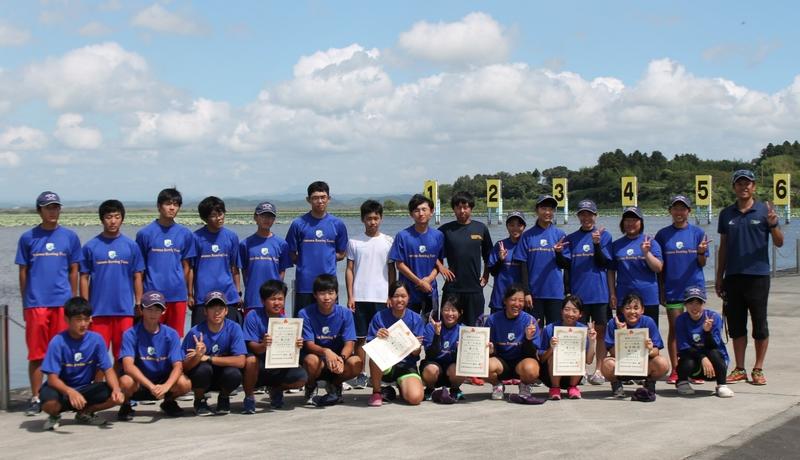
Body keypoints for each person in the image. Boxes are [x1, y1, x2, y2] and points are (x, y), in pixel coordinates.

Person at [16, 191, 82, 416]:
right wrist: (26, 302)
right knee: (37, 354)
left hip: (62, 304)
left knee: (64, 352)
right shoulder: (28, 237)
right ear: (39, 210)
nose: (52, 211)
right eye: (48, 207)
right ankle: (35, 397)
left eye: (55, 207)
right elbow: (23, 272)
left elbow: (74, 270)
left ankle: (61, 396)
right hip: (37, 303)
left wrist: (73, 299)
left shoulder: (70, 237)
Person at [715, 169, 783, 385]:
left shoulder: (765, 210)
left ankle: (758, 368)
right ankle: (740, 367)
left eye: (748, 183)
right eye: (739, 183)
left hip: (758, 276)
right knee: (736, 324)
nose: (744, 187)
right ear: (734, 187)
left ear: (754, 186)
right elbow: (723, 247)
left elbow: (780, 242)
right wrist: (719, 276)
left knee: (760, 324)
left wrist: (772, 225)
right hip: (733, 276)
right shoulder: (726, 214)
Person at [39, 297, 124, 430]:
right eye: (78, 319)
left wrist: (116, 389)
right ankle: (54, 415)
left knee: (116, 395)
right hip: (61, 389)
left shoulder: (96, 340)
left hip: (85, 388)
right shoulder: (57, 341)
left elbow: (108, 369)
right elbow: (52, 379)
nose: (83, 324)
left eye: (86, 319)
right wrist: (70, 392)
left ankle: (85, 413)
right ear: (67, 320)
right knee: (49, 404)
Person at [80, 199, 144, 363]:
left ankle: (117, 388)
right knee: (96, 357)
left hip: (124, 311)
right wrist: (85, 306)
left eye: (117, 216)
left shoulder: (131, 246)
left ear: (122, 218)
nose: (113, 221)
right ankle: (97, 388)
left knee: (122, 356)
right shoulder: (90, 246)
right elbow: (84, 277)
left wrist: (138, 302)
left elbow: (137, 275)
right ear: (102, 219)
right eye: (109, 217)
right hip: (98, 311)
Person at [655, 195, 709, 384]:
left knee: (696, 329)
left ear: (689, 211)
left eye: (683, 208)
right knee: (676, 329)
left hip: (695, 289)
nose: (679, 212)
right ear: (670, 211)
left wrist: (701, 252)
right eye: (675, 208)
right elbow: (660, 267)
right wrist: (661, 289)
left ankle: (695, 370)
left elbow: (702, 263)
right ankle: (677, 369)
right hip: (672, 289)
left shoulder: (698, 233)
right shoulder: (662, 235)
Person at [117, 291, 191, 420]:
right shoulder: (130, 334)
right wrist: (151, 386)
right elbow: (128, 366)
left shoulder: (171, 334)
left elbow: (178, 366)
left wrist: (166, 386)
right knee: (125, 381)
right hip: (140, 383)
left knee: (184, 383)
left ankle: (168, 401)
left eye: (157, 309)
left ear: (163, 311)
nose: (153, 313)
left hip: (162, 381)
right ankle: (126, 404)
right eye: (149, 309)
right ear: (141, 310)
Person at [345, 199, 395, 389]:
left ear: (381, 219)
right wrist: (350, 296)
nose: (372, 222)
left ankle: (381, 371)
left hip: (382, 297)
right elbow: (349, 269)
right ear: (362, 219)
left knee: (382, 336)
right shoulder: (354, 241)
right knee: (360, 337)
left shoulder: (389, 241)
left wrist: (391, 294)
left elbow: (392, 271)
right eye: (368, 218)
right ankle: (360, 373)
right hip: (360, 297)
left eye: (375, 218)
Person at [563, 199, 612, 385]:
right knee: (579, 334)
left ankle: (598, 369)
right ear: (578, 216)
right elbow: (566, 267)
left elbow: (604, 263)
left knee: (600, 333)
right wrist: (567, 291)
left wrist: (597, 244)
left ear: (595, 215)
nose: (586, 217)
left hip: (599, 293)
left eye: (589, 214)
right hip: (578, 295)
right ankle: (580, 369)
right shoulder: (571, 238)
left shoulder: (604, 236)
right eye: (582, 214)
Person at [136, 188, 195, 337]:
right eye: (168, 204)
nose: (172, 208)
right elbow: (139, 270)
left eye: (176, 204)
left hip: (177, 296)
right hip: (152, 295)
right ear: (158, 206)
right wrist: (139, 298)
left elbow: (187, 265)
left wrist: (185, 290)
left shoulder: (185, 234)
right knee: (151, 336)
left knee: (175, 337)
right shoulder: (145, 234)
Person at [242, 280, 307, 414]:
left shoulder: (286, 321)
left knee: (301, 378)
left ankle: (276, 388)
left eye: (280, 299)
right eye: (272, 299)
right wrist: (263, 345)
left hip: (278, 363)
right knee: (250, 361)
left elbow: (290, 352)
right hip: (258, 364)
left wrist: (297, 345)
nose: (277, 303)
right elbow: (251, 346)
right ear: (263, 300)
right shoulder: (253, 316)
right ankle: (249, 396)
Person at [286, 181, 348, 317]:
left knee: (329, 324)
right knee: (302, 323)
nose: (319, 201)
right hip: (304, 284)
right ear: (308, 200)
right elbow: (290, 253)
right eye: (315, 198)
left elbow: (342, 253)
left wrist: (327, 259)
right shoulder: (298, 224)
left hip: (328, 285)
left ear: (329, 199)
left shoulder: (337, 224)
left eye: (323, 197)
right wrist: (305, 262)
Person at [299, 274, 362, 406]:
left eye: (330, 293)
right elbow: (308, 344)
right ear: (315, 295)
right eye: (322, 293)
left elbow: (349, 343)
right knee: (311, 360)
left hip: (338, 361)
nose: (327, 297)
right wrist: (326, 352)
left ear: (337, 294)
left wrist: (341, 359)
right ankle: (310, 387)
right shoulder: (304, 313)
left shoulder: (346, 313)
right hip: (318, 361)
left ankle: (335, 385)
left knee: (356, 362)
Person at [181, 291, 247, 416]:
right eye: (212, 308)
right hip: (204, 377)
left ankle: (224, 397)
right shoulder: (195, 332)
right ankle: (199, 399)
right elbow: (184, 367)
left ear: (226, 311)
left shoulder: (234, 328)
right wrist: (197, 357)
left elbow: (241, 361)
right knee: (202, 370)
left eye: (221, 308)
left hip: (223, 375)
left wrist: (208, 358)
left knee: (234, 373)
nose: (217, 312)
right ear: (205, 311)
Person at [437, 191, 493, 328]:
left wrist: (486, 275)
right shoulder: (445, 230)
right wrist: (441, 267)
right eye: (458, 207)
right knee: (448, 326)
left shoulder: (481, 228)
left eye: (465, 207)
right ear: (454, 209)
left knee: (475, 328)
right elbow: (432, 254)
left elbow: (489, 256)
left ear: (471, 208)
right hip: (452, 287)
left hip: (474, 288)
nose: (462, 211)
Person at [366, 281, 425, 407]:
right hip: (387, 365)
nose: (399, 300)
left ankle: (395, 389)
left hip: (406, 365)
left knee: (415, 398)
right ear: (390, 299)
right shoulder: (379, 316)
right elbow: (370, 346)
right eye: (396, 296)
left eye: (403, 296)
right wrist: (378, 337)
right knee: (374, 359)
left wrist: (415, 345)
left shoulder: (416, 319)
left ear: (409, 298)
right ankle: (377, 392)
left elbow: (417, 353)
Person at [513, 195, 569, 327]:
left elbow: (565, 265)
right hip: (534, 293)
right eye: (544, 208)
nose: (547, 212)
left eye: (551, 209)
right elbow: (523, 265)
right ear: (537, 210)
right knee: (534, 330)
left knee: (554, 331)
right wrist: (526, 292)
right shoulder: (527, 236)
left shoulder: (560, 234)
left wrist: (559, 253)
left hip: (555, 293)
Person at [601, 293, 669, 400]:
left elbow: (657, 350)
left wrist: (650, 349)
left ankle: (649, 383)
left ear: (642, 310)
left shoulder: (648, 322)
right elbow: (612, 351)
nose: (632, 312)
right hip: (622, 365)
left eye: (636, 308)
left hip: (644, 365)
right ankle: (616, 385)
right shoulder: (614, 323)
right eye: (628, 308)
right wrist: (622, 335)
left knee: (662, 363)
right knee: (606, 364)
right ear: (622, 310)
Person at [486, 284, 543, 403]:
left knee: (531, 369)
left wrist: (528, 338)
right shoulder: (492, 320)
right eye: (513, 299)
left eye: (521, 301)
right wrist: (490, 351)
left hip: (521, 362)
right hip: (501, 363)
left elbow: (533, 354)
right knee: (484, 365)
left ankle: (525, 385)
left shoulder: (530, 321)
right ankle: (497, 385)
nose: (517, 304)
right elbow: (489, 348)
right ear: (505, 301)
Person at [389, 194, 444, 315]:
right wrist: (419, 282)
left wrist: (428, 279)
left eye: (424, 209)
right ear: (411, 214)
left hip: (430, 291)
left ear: (431, 212)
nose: (421, 213)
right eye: (416, 210)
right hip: (407, 294)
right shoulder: (402, 236)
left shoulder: (438, 236)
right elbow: (399, 264)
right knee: (406, 330)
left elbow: (439, 264)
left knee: (431, 328)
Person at [674, 286, 734, 398]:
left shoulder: (714, 317)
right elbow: (684, 347)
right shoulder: (681, 320)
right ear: (685, 305)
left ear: (704, 304)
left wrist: (707, 332)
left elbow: (714, 345)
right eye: (690, 303)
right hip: (695, 360)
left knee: (714, 353)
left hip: (713, 362)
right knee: (687, 360)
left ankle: (722, 384)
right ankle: (682, 382)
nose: (694, 307)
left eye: (698, 303)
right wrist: (702, 358)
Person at [191, 196, 243, 325]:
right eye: (214, 215)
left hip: (228, 296)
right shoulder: (195, 237)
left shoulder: (231, 237)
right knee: (200, 337)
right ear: (205, 218)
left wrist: (237, 292)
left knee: (229, 335)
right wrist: (189, 294)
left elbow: (235, 267)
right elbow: (191, 268)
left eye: (221, 213)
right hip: (203, 296)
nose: (219, 218)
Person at [608, 206, 663, 325]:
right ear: (622, 223)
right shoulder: (616, 245)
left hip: (648, 297)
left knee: (649, 336)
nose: (630, 223)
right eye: (627, 220)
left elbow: (658, 268)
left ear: (641, 223)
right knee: (624, 335)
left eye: (634, 220)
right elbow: (611, 271)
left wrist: (646, 253)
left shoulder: (651, 242)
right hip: (624, 297)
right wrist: (612, 293)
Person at [539, 295, 597, 400]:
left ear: (580, 314)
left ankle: (573, 387)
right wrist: (551, 348)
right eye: (567, 309)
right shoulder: (549, 329)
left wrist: (592, 342)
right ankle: (555, 388)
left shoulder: (583, 330)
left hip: (573, 374)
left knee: (580, 354)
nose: (570, 314)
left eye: (575, 311)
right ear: (561, 311)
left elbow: (588, 361)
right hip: (551, 375)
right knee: (554, 356)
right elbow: (542, 359)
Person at [240, 201, 292, 315]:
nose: (267, 219)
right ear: (255, 217)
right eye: (263, 215)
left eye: (270, 216)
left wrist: (277, 294)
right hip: (253, 299)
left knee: (277, 332)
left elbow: (282, 271)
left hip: (275, 301)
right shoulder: (245, 244)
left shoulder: (281, 244)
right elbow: (243, 271)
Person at [421, 294, 465, 404]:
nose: (450, 313)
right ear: (441, 311)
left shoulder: (464, 331)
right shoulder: (431, 327)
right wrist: (437, 334)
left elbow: (466, 360)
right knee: (430, 369)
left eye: (454, 310)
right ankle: (430, 389)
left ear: (460, 313)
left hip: (451, 370)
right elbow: (431, 354)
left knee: (460, 368)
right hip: (435, 368)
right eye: (446, 309)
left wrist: (461, 350)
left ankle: (455, 389)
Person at [487, 211, 526, 311]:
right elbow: (493, 271)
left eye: (519, 225)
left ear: (524, 227)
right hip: (500, 297)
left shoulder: (527, 245)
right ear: (507, 226)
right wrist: (500, 260)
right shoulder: (500, 245)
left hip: (519, 300)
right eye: (512, 225)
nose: (515, 228)